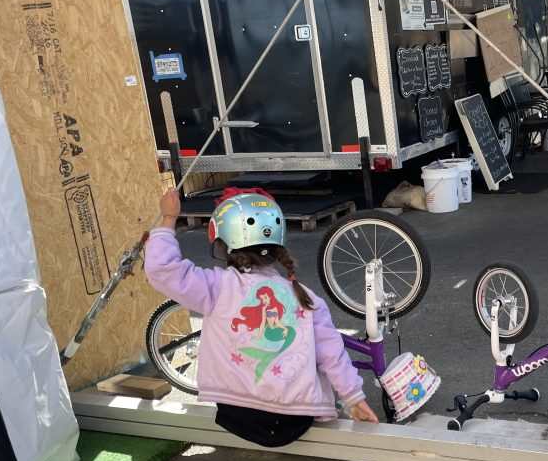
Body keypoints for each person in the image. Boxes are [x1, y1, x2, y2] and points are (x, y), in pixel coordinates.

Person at [145, 187, 379, 447]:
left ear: (221, 243)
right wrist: (354, 400)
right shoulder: (308, 298)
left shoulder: (217, 286)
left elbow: (162, 270)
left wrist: (168, 219)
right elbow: (332, 355)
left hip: (238, 416)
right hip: (294, 423)